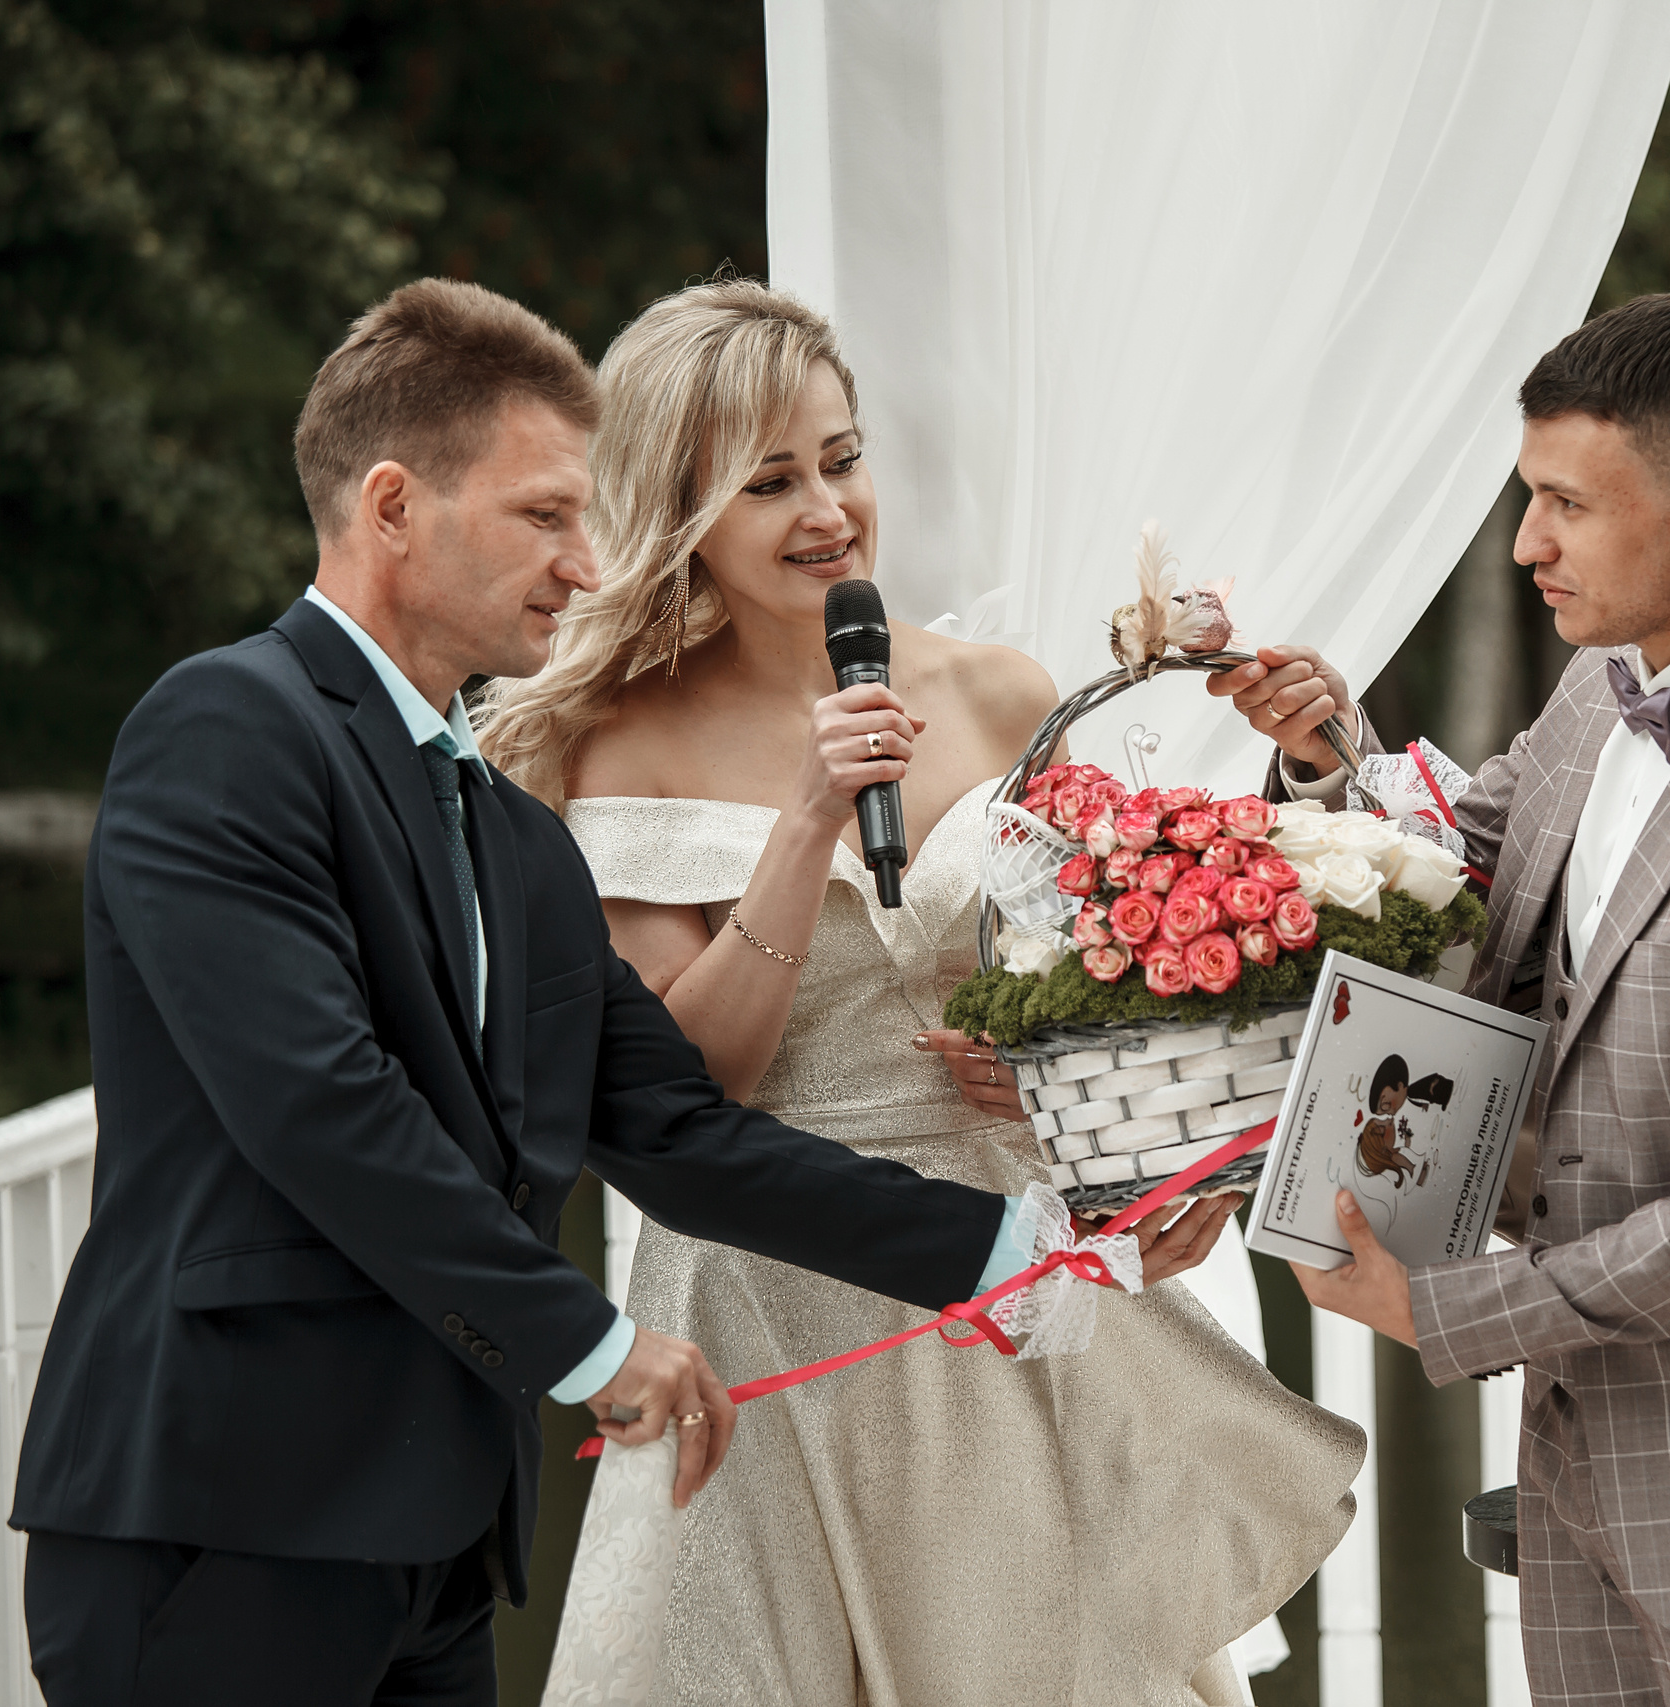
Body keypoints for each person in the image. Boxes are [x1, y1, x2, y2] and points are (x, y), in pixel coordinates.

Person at [6, 278, 1231, 1707]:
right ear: (393, 507)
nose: (587, 566)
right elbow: (323, 1108)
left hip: (440, 1545)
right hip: (226, 1516)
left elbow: (672, 1128)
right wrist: (588, 1343)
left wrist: (1021, 1253)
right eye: (545, 517)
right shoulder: (225, 725)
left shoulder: (508, 830)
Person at [477, 277, 1362, 1707]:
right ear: (682, 510)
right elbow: (691, 1088)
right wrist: (806, 823)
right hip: (768, 1298)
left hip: (1014, 1284)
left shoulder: (1003, 692)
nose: (829, 509)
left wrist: (1060, 1093)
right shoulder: (613, 737)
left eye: (842, 458)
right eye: (771, 480)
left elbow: (1111, 976)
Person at [1215, 291, 1670, 1706]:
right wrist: (1328, 761)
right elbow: (1476, 868)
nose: (1526, 542)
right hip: (1577, 1473)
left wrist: (1447, 1307)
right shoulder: (1605, 678)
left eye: (1566, 502)